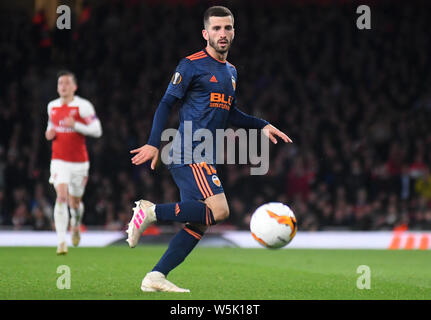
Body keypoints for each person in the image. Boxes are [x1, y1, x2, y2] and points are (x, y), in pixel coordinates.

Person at [127, 6, 292, 292]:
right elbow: (167, 102)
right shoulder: (191, 64)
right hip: (188, 150)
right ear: (205, 33)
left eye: (227, 28)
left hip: (203, 154)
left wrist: (261, 125)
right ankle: (150, 212)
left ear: (234, 32)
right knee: (220, 210)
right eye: (216, 28)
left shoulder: (231, 72)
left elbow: (231, 114)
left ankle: (155, 277)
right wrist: (154, 142)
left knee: (198, 222)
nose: (222, 33)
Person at [45, 71, 102, 255]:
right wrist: (49, 133)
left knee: (74, 203)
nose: (63, 86)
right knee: (61, 197)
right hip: (59, 160)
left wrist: (75, 125)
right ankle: (61, 241)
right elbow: (50, 127)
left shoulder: (83, 106)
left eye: (67, 83)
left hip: (79, 163)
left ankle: (75, 223)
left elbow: (97, 130)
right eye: (60, 83)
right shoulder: (52, 106)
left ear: (74, 87)